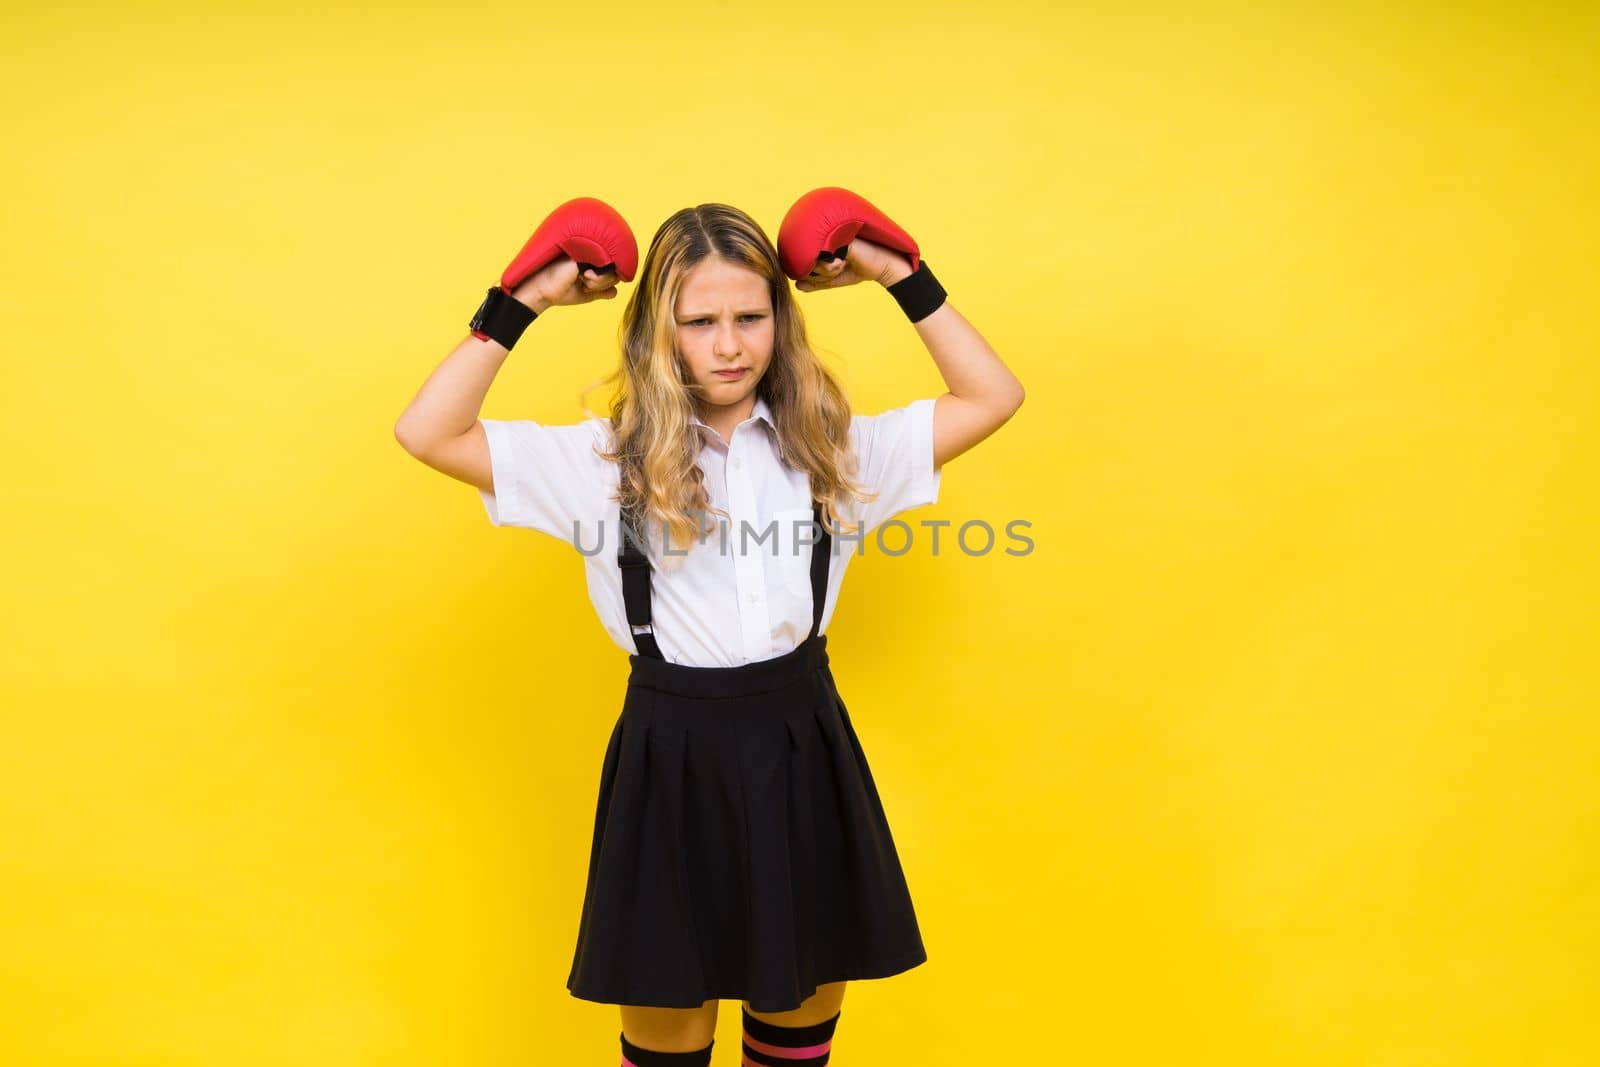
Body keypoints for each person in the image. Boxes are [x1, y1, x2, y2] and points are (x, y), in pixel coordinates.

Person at [394, 200, 1024, 1067]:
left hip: (803, 750)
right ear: (659, 330)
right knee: (666, 1048)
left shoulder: (832, 451)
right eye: (699, 322)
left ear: (781, 320)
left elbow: (994, 395)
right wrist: (522, 299)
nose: (729, 344)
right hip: (669, 759)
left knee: (795, 1042)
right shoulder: (599, 463)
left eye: (750, 317)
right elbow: (427, 431)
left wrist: (897, 272)